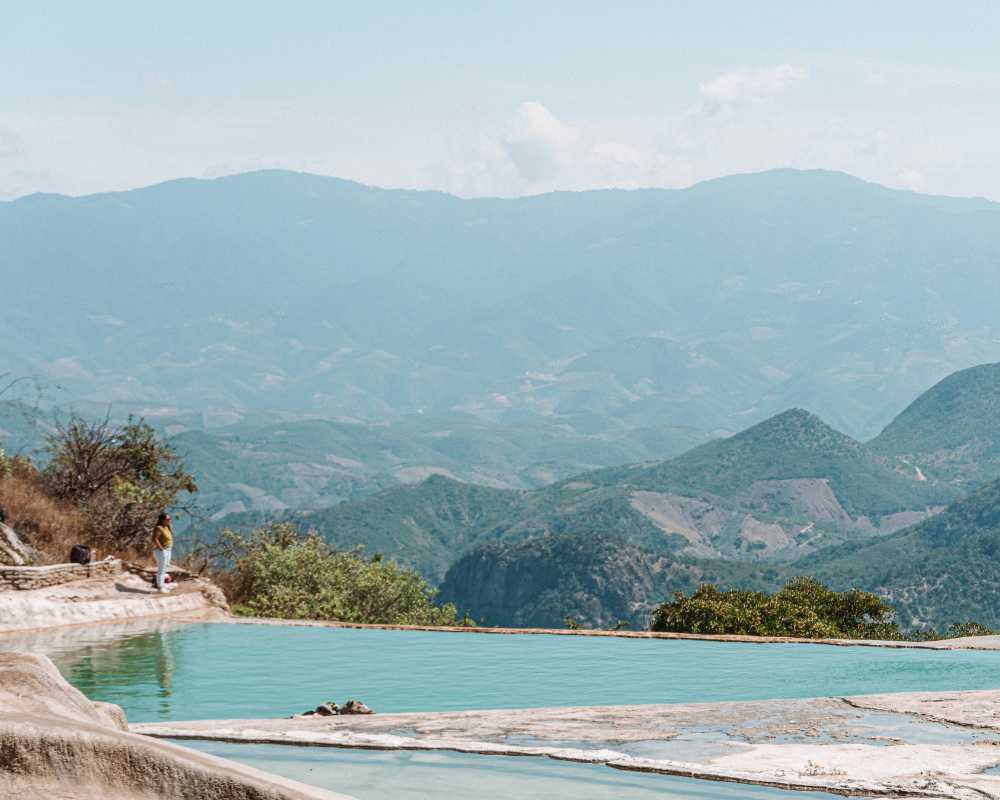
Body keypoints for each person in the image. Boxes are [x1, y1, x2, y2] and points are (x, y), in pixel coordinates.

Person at [152, 512, 174, 593]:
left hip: (168, 550)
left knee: (166, 567)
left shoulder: (167, 527)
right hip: (161, 551)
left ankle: (164, 584)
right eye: (168, 519)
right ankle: (160, 587)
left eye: (170, 519)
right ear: (162, 520)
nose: (169, 520)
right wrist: (162, 549)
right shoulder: (159, 528)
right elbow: (155, 539)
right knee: (161, 569)